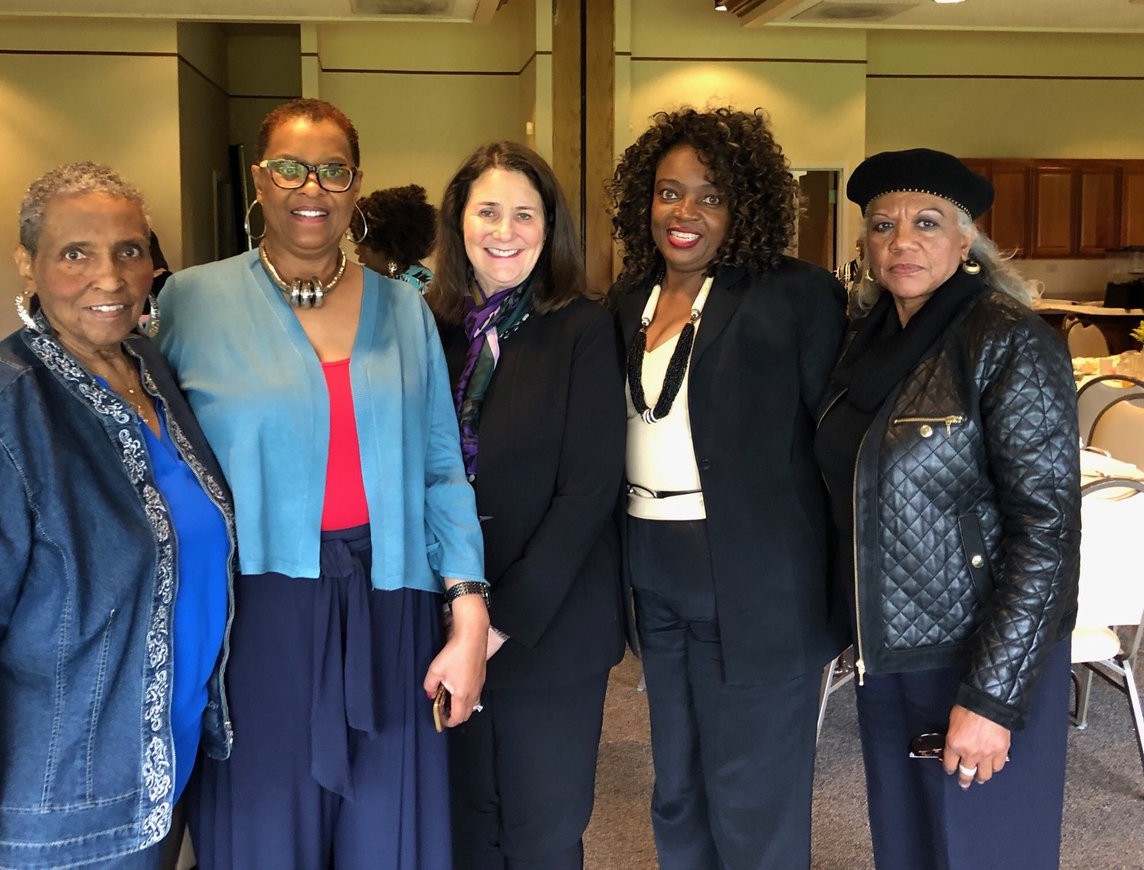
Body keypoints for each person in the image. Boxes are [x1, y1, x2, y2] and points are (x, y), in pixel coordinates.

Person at [157, 97, 488, 870]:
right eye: (290, 168)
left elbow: (442, 468)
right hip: (254, 617)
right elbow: (161, 458)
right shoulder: (193, 303)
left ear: (355, 184)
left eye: (333, 170)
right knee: (264, 835)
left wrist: (468, 610)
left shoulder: (404, 310)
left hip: (390, 604)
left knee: (389, 836)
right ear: (259, 180)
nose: (312, 187)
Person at [0, 162, 234, 869]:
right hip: (57, 814)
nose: (110, 277)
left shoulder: (149, 370)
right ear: (28, 263)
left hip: (163, 775)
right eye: (76, 253)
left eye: (129, 250)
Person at [815, 148, 1079, 869]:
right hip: (889, 648)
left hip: (976, 651)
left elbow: (1047, 532)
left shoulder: (1007, 339)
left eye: (926, 223)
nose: (902, 242)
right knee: (906, 845)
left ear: (966, 242)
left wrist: (992, 697)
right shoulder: (867, 341)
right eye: (883, 225)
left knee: (985, 850)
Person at [607, 107, 847, 869]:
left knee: (752, 792)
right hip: (653, 568)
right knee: (677, 784)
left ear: (745, 206)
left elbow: (837, 442)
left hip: (756, 575)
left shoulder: (795, 295)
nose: (685, 213)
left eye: (710, 196)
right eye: (669, 192)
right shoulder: (629, 298)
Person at [428, 141, 626, 869]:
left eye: (524, 214)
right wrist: (460, 618)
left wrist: (494, 625)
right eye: (487, 211)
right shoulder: (431, 330)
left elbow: (588, 491)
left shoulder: (582, 327)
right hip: (443, 616)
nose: (504, 231)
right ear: (459, 222)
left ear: (550, 228)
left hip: (550, 626)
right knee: (464, 826)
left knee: (541, 831)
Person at [350, 183, 437, 293]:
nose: (357, 250)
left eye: (363, 243)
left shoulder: (407, 287)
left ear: (389, 248)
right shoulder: (419, 278)